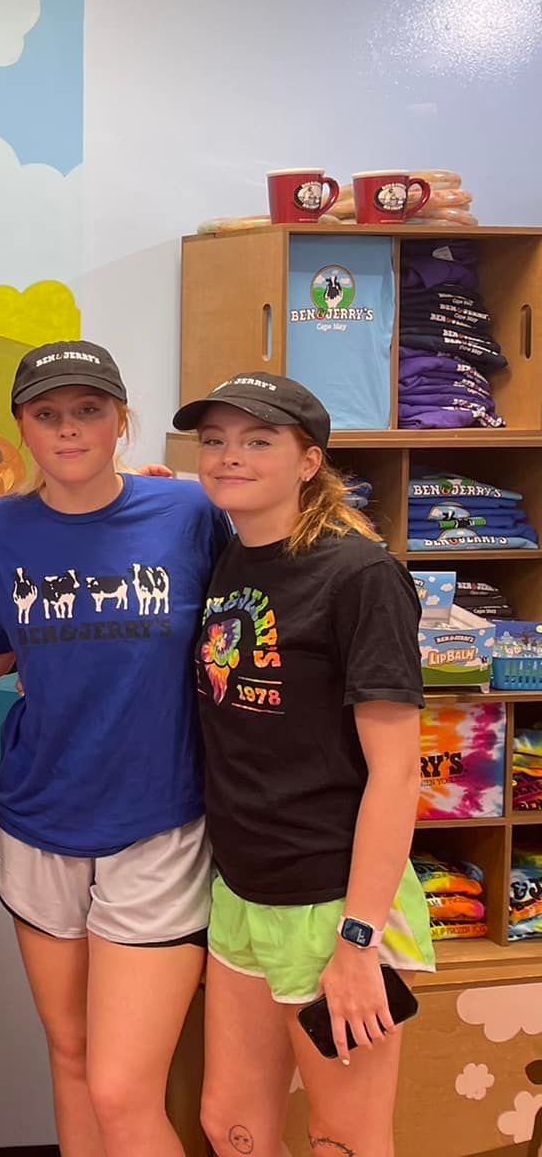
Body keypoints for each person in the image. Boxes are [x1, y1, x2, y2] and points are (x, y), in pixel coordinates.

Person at [0, 342, 229, 1156]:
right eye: (48, 414)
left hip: (160, 822)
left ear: (120, 419)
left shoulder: (189, 513)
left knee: (122, 1086)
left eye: (89, 410)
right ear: (22, 427)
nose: (69, 429)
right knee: (70, 1055)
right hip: (38, 819)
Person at [176, 373, 431, 1157]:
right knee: (232, 1126)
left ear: (309, 461)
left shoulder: (360, 576)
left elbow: (398, 774)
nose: (230, 456)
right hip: (244, 892)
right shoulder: (234, 554)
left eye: (259, 441)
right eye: (215, 441)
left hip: (334, 903)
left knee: (342, 1138)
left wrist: (357, 942)